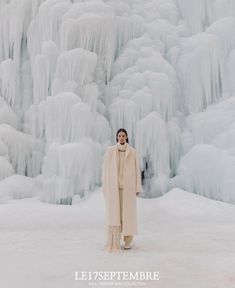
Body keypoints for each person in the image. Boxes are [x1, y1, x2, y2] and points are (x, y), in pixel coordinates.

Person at [101, 128, 142, 252]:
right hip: (114, 189)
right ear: (117, 137)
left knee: (128, 216)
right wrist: (105, 186)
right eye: (119, 135)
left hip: (128, 189)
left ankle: (128, 240)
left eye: (123, 135)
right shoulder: (110, 152)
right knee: (115, 215)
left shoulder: (133, 152)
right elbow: (105, 171)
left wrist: (137, 187)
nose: (121, 137)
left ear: (127, 137)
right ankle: (115, 239)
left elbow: (137, 170)